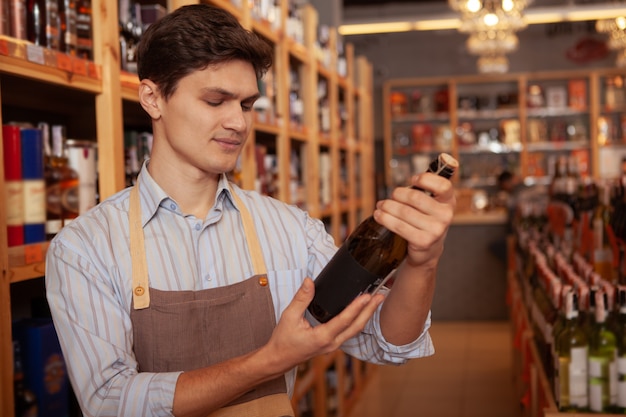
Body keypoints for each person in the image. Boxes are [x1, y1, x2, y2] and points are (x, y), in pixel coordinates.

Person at [45, 4, 457, 417]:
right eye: (215, 100)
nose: (238, 123)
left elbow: (385, 340)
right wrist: (268, 361)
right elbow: (110, 402)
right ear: (153, 98)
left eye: (245, 105)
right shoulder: (85, 247)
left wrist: (422, 263)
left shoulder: (290, 229)